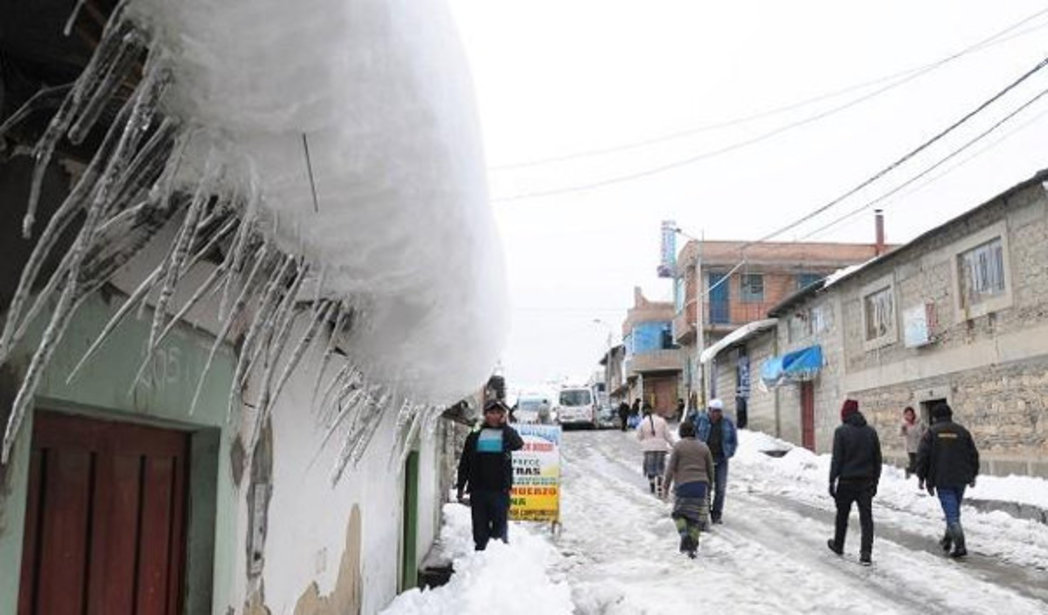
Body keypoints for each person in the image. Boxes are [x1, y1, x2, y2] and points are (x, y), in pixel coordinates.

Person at [456, 399, 525, 550]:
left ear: (502, 415)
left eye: (498, 413)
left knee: (499, 534)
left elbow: (518, 444)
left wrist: (504, 425)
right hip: (478, 491)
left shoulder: (506, 434)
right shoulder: (475, 435)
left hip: (500, 492)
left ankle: (497, 565)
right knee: (480, 533)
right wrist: (460, 487)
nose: (494, 416)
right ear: (485, 415)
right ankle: (480, 562)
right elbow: (465, 462)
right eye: (491, 413)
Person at [916, 402, 979, 558]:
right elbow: (973, 455)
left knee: (952, 514)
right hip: (961, 478)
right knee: (953, 509)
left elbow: (923, 457)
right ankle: (947, 538)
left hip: (942, 479)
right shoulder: (962, 431)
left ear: (935, 417)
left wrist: (922, 477)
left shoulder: (931, 433)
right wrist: (972, 475)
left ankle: (960, 545)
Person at [827, 399, 882, 566]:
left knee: (842, 515)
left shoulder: (841, 432)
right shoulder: (871, 432)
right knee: (866, 519)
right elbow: (877, 460)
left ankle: (838, 544)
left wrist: (831, 480)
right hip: (866, 482)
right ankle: (866, 553)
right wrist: (875, 482)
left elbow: (837, 459)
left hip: (847, 481)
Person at [663, 421, 714, 558]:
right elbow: (710, 469)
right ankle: (693, 547)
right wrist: (709, 486)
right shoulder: (704, 447)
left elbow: (670, 468)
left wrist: (665, 487)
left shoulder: (678, 447)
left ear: (681, 433)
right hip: (700, 486)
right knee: (696, 519)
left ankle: (684, 535)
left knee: (678, 514)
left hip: (683, 486)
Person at [693, 398, 737, 524]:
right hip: (704, 459)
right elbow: (693, 433)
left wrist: (729, 452)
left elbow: (733, 439)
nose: (715, 414)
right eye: (713, 411)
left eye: (718, 411)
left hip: (721, 459)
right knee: (706, 487)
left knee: (721, 488)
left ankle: (716, 514)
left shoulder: (727, 422)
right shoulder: (701, 420)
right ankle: (705, 512)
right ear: (709, 410)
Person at [636, 404, 674, 495]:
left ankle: (652, 485)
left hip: (648, 448)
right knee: (660, 467)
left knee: (650, 467)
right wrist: (674, 445)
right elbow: (667, 435)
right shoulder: (662, 421)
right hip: (661, 448)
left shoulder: (642, 422)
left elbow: (639, 436)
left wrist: (645, 440)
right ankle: (660, 486)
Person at [900, 406, 926, 479]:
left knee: (920, 463)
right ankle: (909, 472)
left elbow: (926, 430)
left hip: (920, 446)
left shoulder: (920, 422)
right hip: (910, 447)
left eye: (910, 414)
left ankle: (919, 477)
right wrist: (903, 429)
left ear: (913, 414)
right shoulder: (904, 424)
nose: (909, 416)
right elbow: (901, 434)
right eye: (907, 414)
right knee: (913, 464)